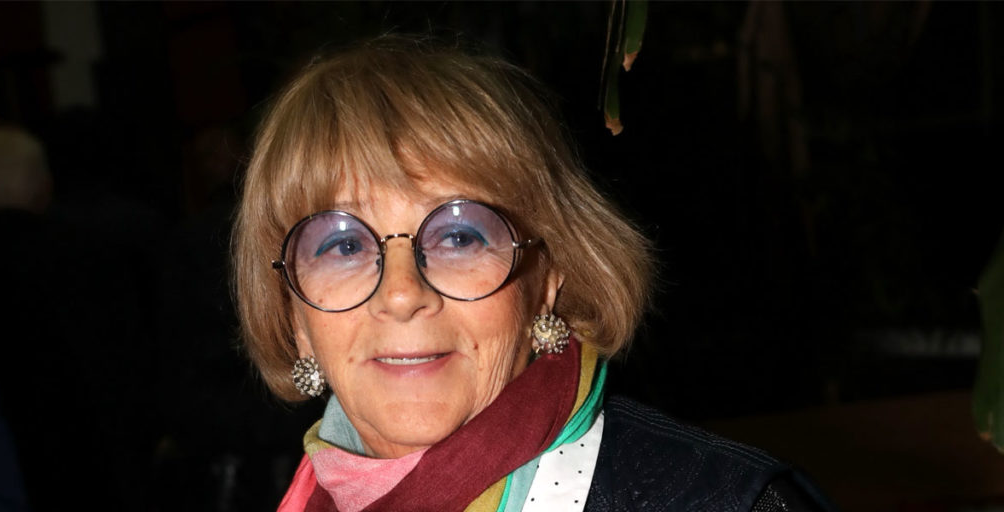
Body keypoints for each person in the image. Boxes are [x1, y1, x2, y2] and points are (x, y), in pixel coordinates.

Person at [233, 36, 832, 511]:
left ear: (546, 276)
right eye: (342, 245)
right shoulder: (301, 498)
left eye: (459, 236)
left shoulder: (731, 503)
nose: (401, 294)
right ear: (295, 314)